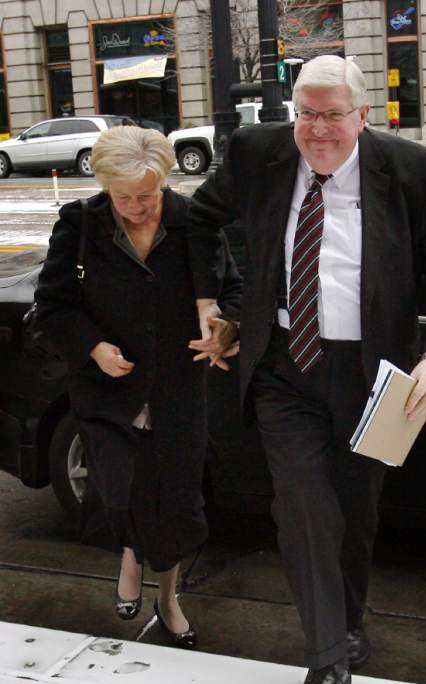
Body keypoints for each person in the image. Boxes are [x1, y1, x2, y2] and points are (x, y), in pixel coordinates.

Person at [187, 55, 426, 684]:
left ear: (362, 116)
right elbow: (200, 220)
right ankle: (325, 662)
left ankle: (347, 626)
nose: (318, 131)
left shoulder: (406, 169)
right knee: (302, 504)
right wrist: (214, 301)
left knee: (354, 512)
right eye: (307, 114)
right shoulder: (259, 152)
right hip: (285, 366)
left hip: (375, 376)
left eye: (333, 116)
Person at [35, 125, 240, 648]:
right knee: (120, 490)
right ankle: (129, 558)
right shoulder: (80, 225)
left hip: (178, 390)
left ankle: (168, 598)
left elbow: (234, 292)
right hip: (109, 393)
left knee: (175, 505)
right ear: (104, 186)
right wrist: (93, 348)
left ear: (165, 183)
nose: (135, 207)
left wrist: (225, 331)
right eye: (122, 196)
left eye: (146, 196)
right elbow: (54, 306)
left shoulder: (194, 222)